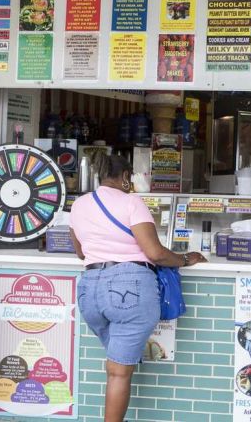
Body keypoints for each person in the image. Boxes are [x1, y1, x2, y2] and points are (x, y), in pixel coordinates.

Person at [69, 153, 206, 422]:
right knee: (119, 371)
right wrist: (185, 259)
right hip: (128, 289)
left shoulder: (79, 204)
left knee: (116, 365)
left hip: (90, 290)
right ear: (124, 177)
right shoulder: (132, 202)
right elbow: (155, 253)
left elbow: (81, 253)